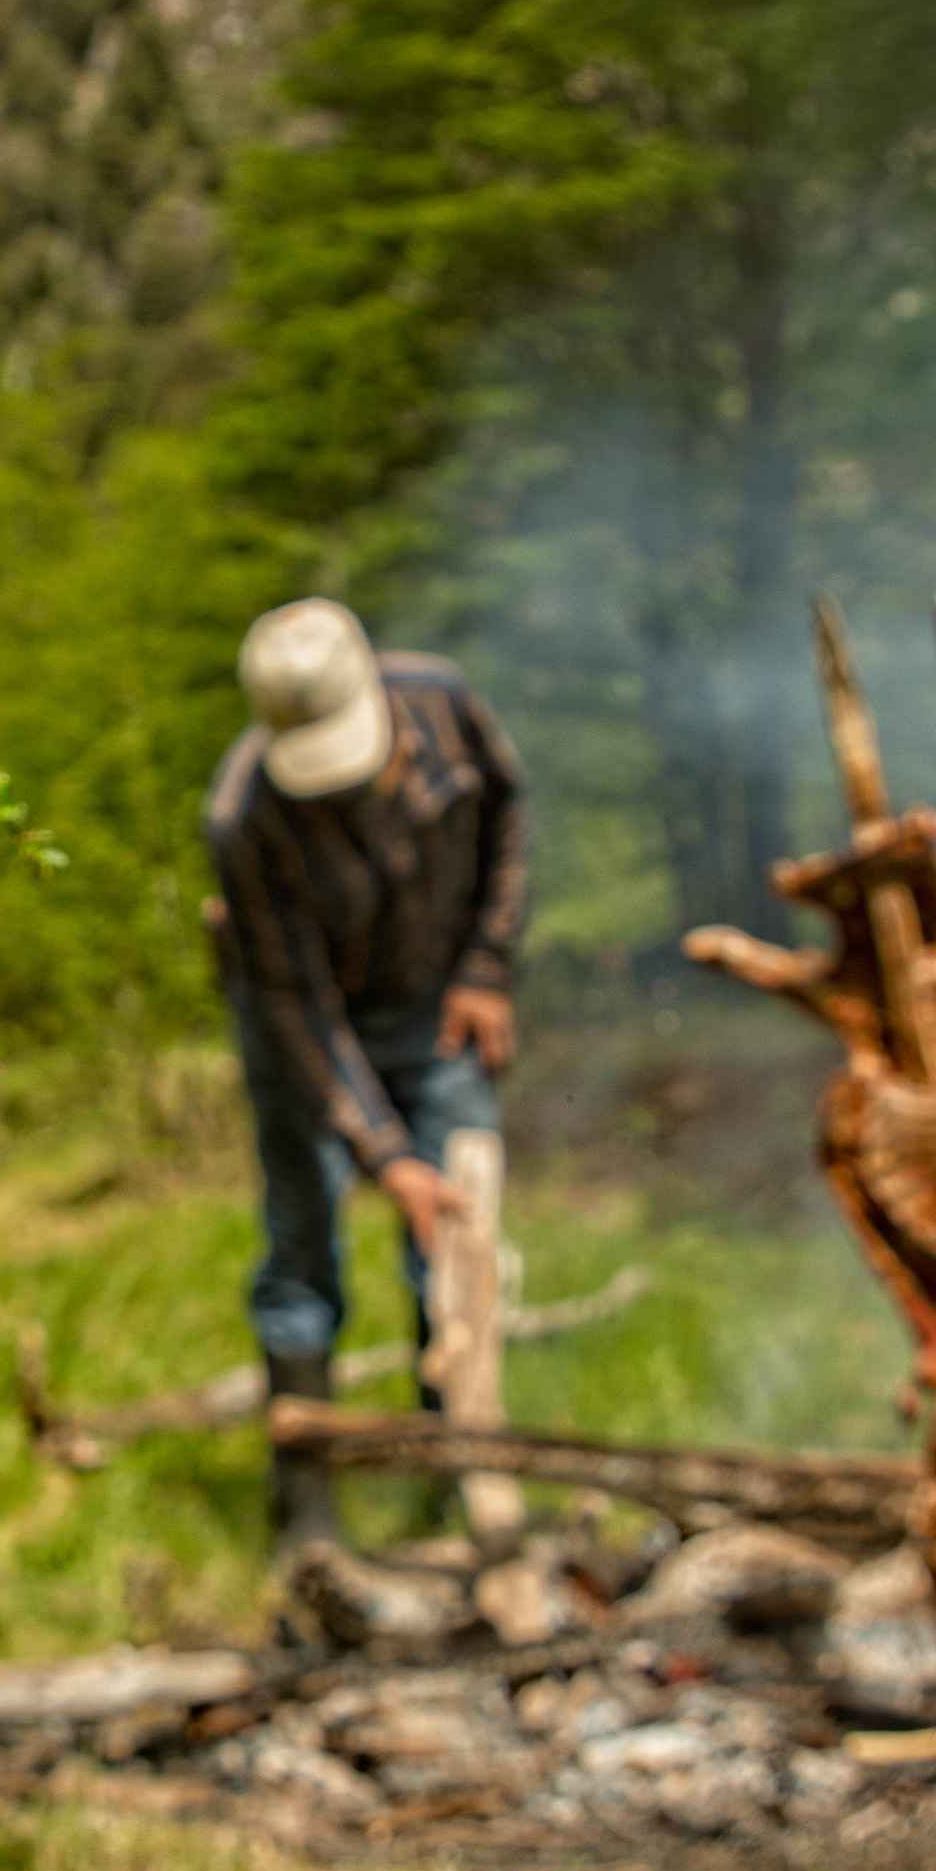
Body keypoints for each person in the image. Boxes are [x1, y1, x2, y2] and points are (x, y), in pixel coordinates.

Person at [207, 598, 528, 1551]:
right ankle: (307, 1513)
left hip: (437, 1004)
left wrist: (488, 967)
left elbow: (509, 819)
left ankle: (458, 1484)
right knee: (302, 1244)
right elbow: (293, 1002)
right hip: (302, 1029)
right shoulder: (243, 819)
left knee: (457, 1237)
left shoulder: (445, 705)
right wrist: (386, 1157)